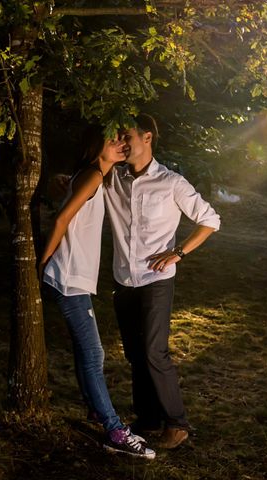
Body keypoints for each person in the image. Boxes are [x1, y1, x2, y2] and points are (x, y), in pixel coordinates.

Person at [38, 125, 156, 459]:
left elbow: (69, 194)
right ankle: (114, 430)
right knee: (93, 355)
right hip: (69, 278)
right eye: (112, 141)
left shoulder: (95, 177)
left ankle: (94, 408)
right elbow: (61, 219)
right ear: (96, 147)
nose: (120, 145)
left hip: (73, 277)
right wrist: (42, 262)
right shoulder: (92, 176)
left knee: (85, 351)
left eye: (122, 140)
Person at [104, 113, 221, 449]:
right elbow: (86, 186)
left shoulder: (172, 182)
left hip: (156, 280)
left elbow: (210, 220)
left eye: (127, 136)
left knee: (155, 352)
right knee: (135, 354)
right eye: (119, 137)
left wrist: (179, 252)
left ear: (147, 138)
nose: (122, 143)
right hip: (123, 278)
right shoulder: (114, 179)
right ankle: (148, 418)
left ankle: (177, 423)